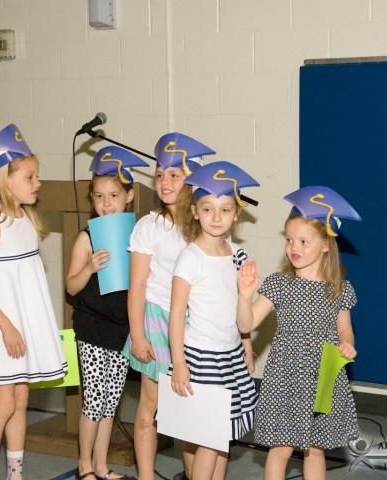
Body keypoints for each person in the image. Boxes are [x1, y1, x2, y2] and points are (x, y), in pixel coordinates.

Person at [0, 124, 68, 480]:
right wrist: (7, 327)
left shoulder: (26, 218)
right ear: (5, 181)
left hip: (22, 326)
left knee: (20, 402)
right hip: (1, 327)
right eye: (30, 177)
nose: (38, 183)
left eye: (37, 176)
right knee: (3, 404)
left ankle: (15, 473)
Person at [236, 186, 362, 480]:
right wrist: (244, 296)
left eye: (304, 241)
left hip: (324, 374)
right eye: (290, 240)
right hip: (286, 375)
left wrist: (347, 343)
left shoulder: (339, 289)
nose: (294, 247)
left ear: (326, 245)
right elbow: (246, 325)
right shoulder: (279, 283)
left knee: (316, 449)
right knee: (280, 448)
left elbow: (345, 329)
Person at [121, 132, 215, 480]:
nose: (165, 181)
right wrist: (138, 334)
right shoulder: (149, 226)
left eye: (175, 174)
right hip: (158, 321)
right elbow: (138, 285)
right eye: (160, 174)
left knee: (189, 406)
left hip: (196, 324)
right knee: (152, 403)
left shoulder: (205, 224)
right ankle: (146, 475)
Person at [167, 160, 259, 480]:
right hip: (201, 358)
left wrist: (246, 345)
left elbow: (240, 307)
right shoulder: (190, 257)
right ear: (195, 212)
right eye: (207, 209)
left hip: (230, 356)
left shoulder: (237, 254)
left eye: (225, 209)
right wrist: (179, 362)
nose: (216, 217)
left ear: (237, 213)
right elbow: (176, 314)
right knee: (207, 436)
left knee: (220, 439)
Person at [66, 146, 148, 480]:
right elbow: (71, 286)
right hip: (92, 328)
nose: (106, 203)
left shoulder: (137, 236)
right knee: (94, 400)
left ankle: (101, 465)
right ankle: (84, 465)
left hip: (121, 329)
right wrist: (88, 267)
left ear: (129, 196)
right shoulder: (86, 238)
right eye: (99, 196)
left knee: (111, 401)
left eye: (114, 195)